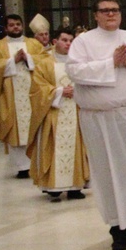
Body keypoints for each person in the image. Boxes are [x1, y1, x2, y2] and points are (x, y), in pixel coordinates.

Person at [66, 0, 126, 250]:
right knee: (110, 172)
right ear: (95, 15)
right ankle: (120, 227)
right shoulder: (83, 42)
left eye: (115, 10)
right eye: (105, 11)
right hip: (99, 119)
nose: (110, 15)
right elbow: (74, 71)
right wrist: (110, 64)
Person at [27, 28, 89, 202]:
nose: (68, 44)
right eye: (64, 40)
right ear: (55, 42)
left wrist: (77, 91)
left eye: (71, 40)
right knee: (53, 146)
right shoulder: (45, 63)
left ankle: (75, 187)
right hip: (54, 112)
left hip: (76, 111)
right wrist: (60, 91)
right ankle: (53, 187)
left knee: (77, 146)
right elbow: (37, 89)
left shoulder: (78, 63)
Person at [0, 14, 45, 177]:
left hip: (33, 92)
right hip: (10, 95)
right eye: (11, 25)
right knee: (14, 127)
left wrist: (28, 58)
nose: (15, 27)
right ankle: (22, 167)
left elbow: (46, 61)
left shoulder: (34, 44)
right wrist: (12, 61)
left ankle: (37, 163)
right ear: (5, 28)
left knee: (35, 125)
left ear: (22, 26)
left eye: (18, 24)